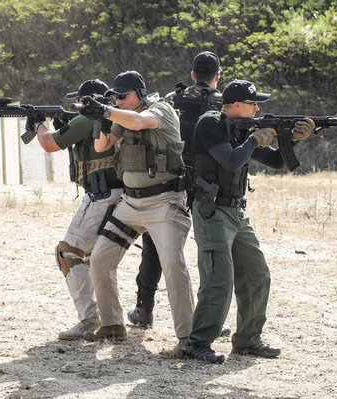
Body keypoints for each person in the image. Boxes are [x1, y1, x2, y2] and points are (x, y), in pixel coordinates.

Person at [184, 79, 314, 363]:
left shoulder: (240, 130)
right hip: (212, 210)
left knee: (257, 275)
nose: (258, 110)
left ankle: (247, 340)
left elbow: (279, 162)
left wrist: (292, 140)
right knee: (219, 280)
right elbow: (230, 161)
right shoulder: (210, 124)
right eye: (254, 104)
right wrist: (255, 139)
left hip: (237, 212)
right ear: (239, 106)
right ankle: (198, 343)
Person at [77, 71, 195, 347]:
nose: (119, 100)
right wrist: (100, 118)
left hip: (164, 202)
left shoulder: (160, 109)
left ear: (140, 93)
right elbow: (102, 145)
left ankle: (189, 337)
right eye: (115, 96)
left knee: (173, 266)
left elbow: (141, 122)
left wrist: (107, 110)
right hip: (130, 204)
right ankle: (112, 325)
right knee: (100, 259)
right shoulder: (121, 114)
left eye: (123, 95)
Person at [128, 51, 230, 337]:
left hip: (170, 180)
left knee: (155, 248)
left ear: (193, 75)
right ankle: (210, 319)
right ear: (217, 76)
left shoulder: (173, 100)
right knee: (207, 251)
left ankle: (144, 310)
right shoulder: (223, 103)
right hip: (209, 185)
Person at [25, 79, 124, 340]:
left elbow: (48, 144)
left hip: (101, 196)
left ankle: (89, 318)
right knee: (96, 259)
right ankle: (111, 320)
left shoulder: (87, 120)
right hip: (118, 195)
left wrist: (38, 124)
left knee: (68, 253)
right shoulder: (114, 117)